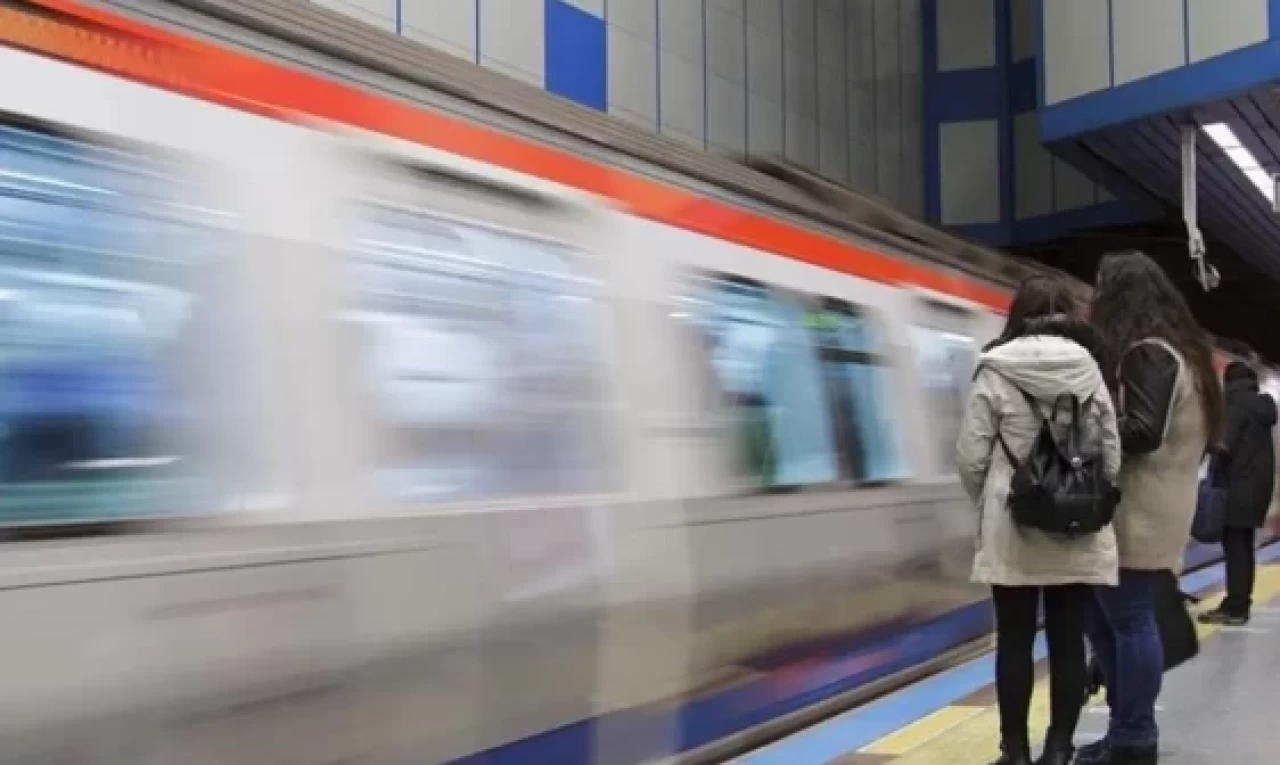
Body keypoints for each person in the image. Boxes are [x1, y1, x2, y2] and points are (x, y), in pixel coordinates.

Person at [957, 275, 1121, 765]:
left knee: (1014, 641)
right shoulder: (1089, 371)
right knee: (1068, 640)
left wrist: (990, 503)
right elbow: (1110, 454)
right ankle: (1059, 749)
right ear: (1069, 315)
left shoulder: (995, 369)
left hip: (1014, 527)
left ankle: (1015, 753)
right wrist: (1086, 498)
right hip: (1074, 530)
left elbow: (970, 456)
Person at [1079, 251, 1224, 765]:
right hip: (1159, 506)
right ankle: (1125, 731)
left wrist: (1080, 434)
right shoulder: (1185, 354)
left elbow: (1141, 431)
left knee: (1129, 622)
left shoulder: (1148, 353)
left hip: (1136, 512)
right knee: (1110, 622)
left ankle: (1135, 737)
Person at [1200, 361, 1276, 626]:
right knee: (1243, 547)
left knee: (1235, 549)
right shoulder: (1262, 408)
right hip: (1257, 489)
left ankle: (1236, 608)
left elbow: (1223, 445)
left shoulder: (1235, 406)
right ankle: (1239, 601)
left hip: (1236, 488)